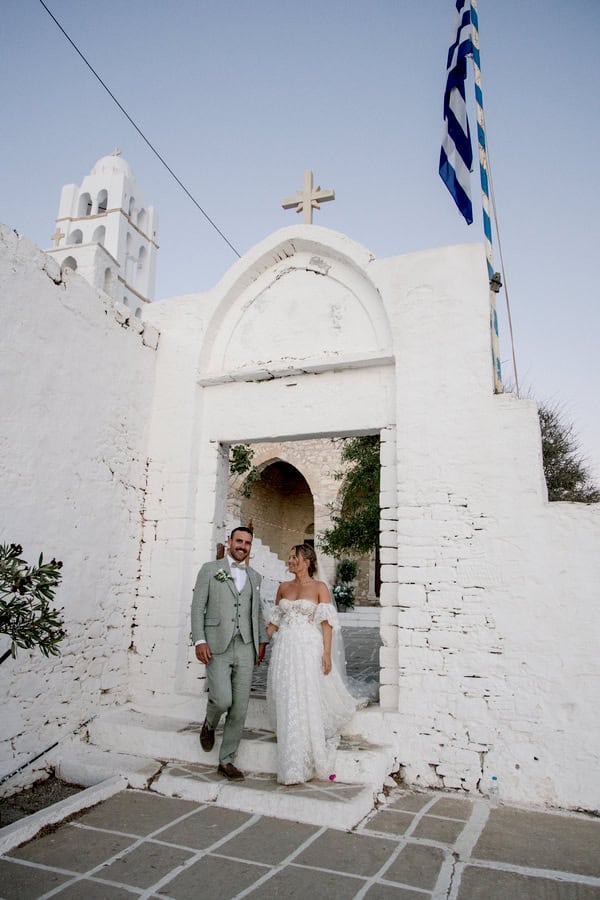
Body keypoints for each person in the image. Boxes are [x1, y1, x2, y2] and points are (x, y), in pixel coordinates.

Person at [266, 543, 357, 785]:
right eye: (289, 557)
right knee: (287, 695)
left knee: (305, 694)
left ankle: (306, 750)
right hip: (285, 650)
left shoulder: (319, 588)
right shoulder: (283, 587)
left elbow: (326, 623)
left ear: (307, 561)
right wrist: (260, 642)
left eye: (295, 557)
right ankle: (290, 753)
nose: (291, 561)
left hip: (308, 648)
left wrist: (326, 653)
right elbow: (274, 621)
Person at [191, 526, 268, 781]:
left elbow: (256, 613)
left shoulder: (255, 577)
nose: (242, 546)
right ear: (229, 541)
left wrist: (261, 643)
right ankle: (210, 723)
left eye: (247, 543)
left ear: (250, 546)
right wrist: (200, 640)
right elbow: (197, 607)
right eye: (238, 541)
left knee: (240, 707)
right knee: (223, 699)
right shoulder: (210, 570)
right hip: (216, 645)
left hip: (246, 645)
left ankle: (226, 760)